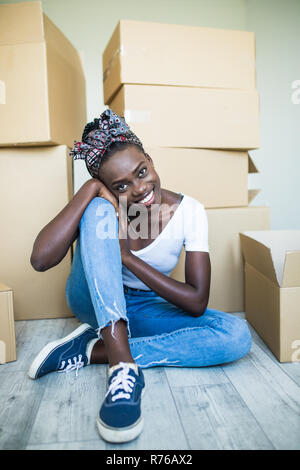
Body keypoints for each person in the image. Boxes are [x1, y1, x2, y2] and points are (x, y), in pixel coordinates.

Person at [28, 109, 252, 444]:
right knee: (96, 212)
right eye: (121, 185)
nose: (140, 189)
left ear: (149, 159)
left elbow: (196, 302)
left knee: (236, 334)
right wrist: (90, 190)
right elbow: (41, 260)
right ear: (108, 185)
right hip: (93, 300)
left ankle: (92, 350)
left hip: (143, 308)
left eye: (142, 171)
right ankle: (122, 370)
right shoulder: (105, 205)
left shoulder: (189, 212)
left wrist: (127, 258)